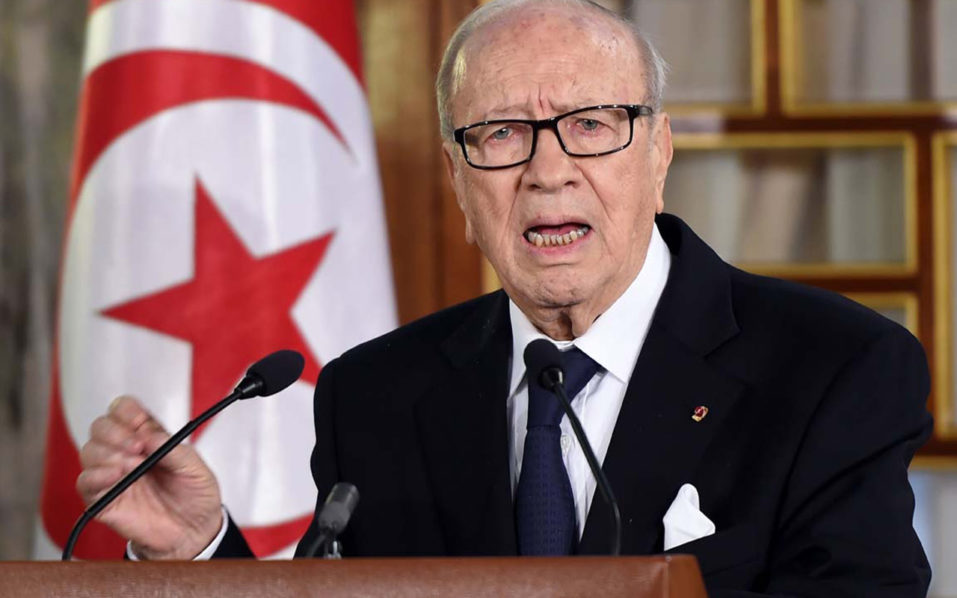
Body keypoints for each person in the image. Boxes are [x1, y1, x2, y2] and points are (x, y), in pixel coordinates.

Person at [77, 0, 933, 594]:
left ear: (658, 153)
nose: (547, 171)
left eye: (590, 124)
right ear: (457, 180)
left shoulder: (832, 367)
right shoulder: (373, 394)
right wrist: (200, 550)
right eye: (499, 134)